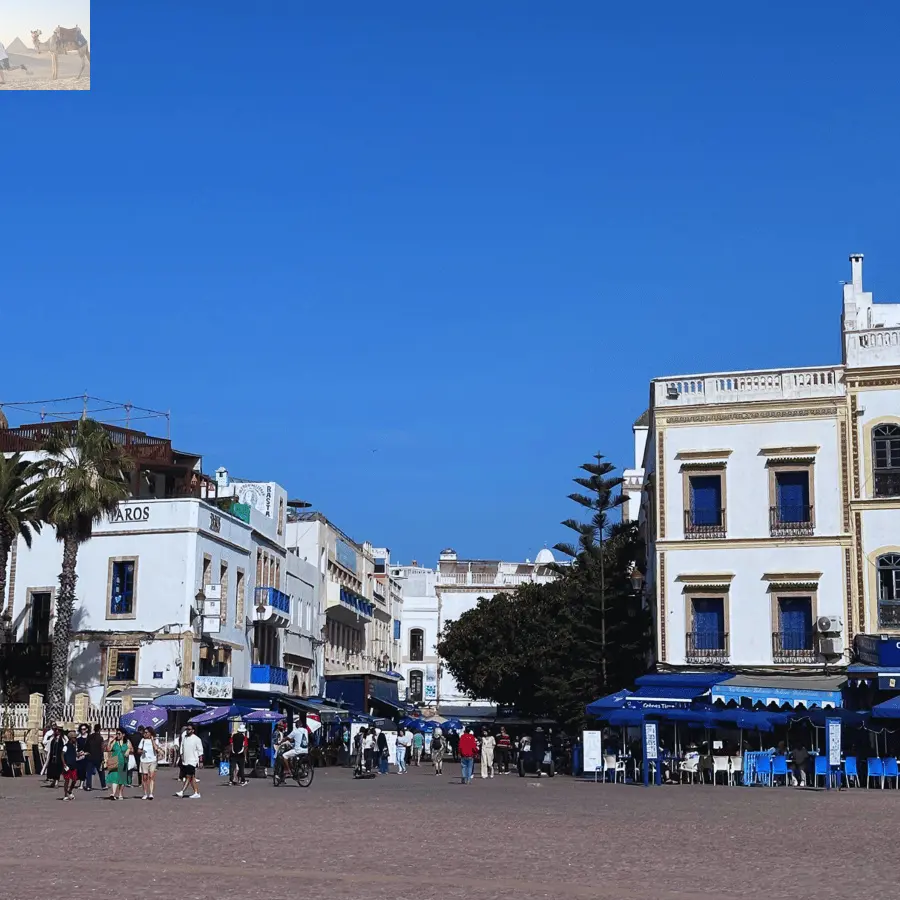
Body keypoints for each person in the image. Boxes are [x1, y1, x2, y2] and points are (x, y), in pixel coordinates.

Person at [176, 723, 204, 798]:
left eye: (189, 729)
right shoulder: (184, 738)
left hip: (193, 761)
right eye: (187, 729)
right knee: (192, 778)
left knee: (188, 776)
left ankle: (182, 791)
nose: (187, 731)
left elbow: (200, 751)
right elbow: (182, 747)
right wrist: (181, 755)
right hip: (185, 760)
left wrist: (201, 761)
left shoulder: (197, 739)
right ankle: (196, 792)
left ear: (193, 730)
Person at [106, 728, 131, 800]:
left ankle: (120, 793)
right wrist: (109, 742)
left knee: (122, 779)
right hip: (115, 762)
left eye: (119, 734)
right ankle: (113, 794)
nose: (117, 735)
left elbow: (132, 749)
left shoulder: (127, 742)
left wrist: (128, 750)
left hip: (123, 762)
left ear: (123, 734)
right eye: (117, 733)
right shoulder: (114, 741)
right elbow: (108, 750)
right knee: (115, 778)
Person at [138, 726, 160, 799]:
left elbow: (156, 748)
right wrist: (142, 751)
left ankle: (151, 793)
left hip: (152, 760)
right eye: (144, 732)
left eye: (146, 732)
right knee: (144, 777)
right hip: (144, 760)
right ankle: (145, 793)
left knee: (151, 776)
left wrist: (152, 740)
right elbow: (138, 750)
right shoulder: (142, 740)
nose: (145, 734)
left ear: (150, 733)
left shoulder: (155, 740)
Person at [86, 724, 107, 792]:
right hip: (98, 757)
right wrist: (102, 757)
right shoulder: (100, 738)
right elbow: (102, 748)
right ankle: (103, 785)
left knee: (89, 773)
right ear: (100, 729)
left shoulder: (90, 737)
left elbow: (86, 746)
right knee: (101, 772)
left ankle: (88, 786)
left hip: (90, 756)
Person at [61, 730, 79, 800]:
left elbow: (74, 755)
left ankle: (70, 790)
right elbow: (62, 755)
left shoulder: (74, 746)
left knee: (74, 779)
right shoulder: (66, 746)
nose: (76, 739)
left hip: (73, 765)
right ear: (71, 738)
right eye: (74, 738)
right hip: (67, 765)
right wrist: (64, 764)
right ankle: (65, 794)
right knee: (67, 780)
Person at [75, 724, 91, 790]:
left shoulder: (89, 738)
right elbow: (76, 747)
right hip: (80, 756)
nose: (82, 731)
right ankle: (80, 783)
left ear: (87, 729)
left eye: (84, 729)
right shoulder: (78, 739)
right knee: (80, 770)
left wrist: (85, 753)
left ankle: (84, 784)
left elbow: (91, 748)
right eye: (81, 729)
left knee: (85, 770)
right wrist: (78, 753)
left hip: (87, 756)